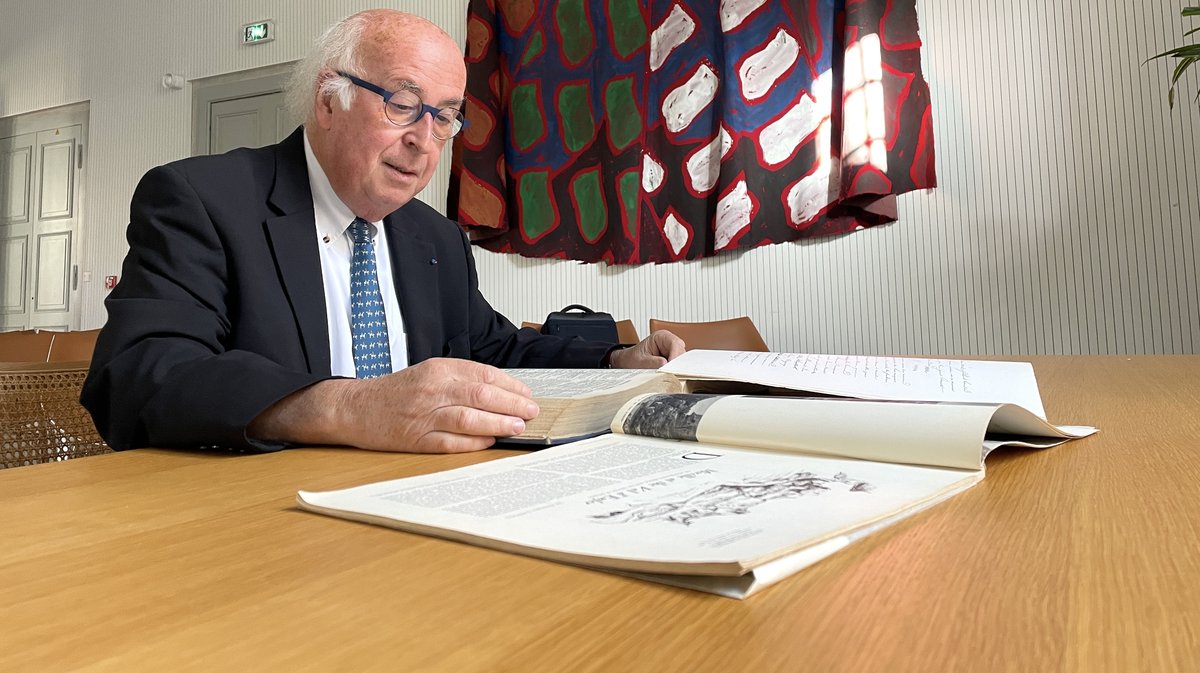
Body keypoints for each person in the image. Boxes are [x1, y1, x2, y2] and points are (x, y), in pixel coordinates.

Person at [82, 9, 684, 455]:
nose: (424, 140)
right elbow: (136, 376)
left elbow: (489, 349)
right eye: (402, 103)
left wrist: (613, 358)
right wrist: (347, 408)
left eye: (445, 115)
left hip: (419, 496)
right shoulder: (202, 200)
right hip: (261, 515)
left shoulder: (434, 237)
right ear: (328, 100)